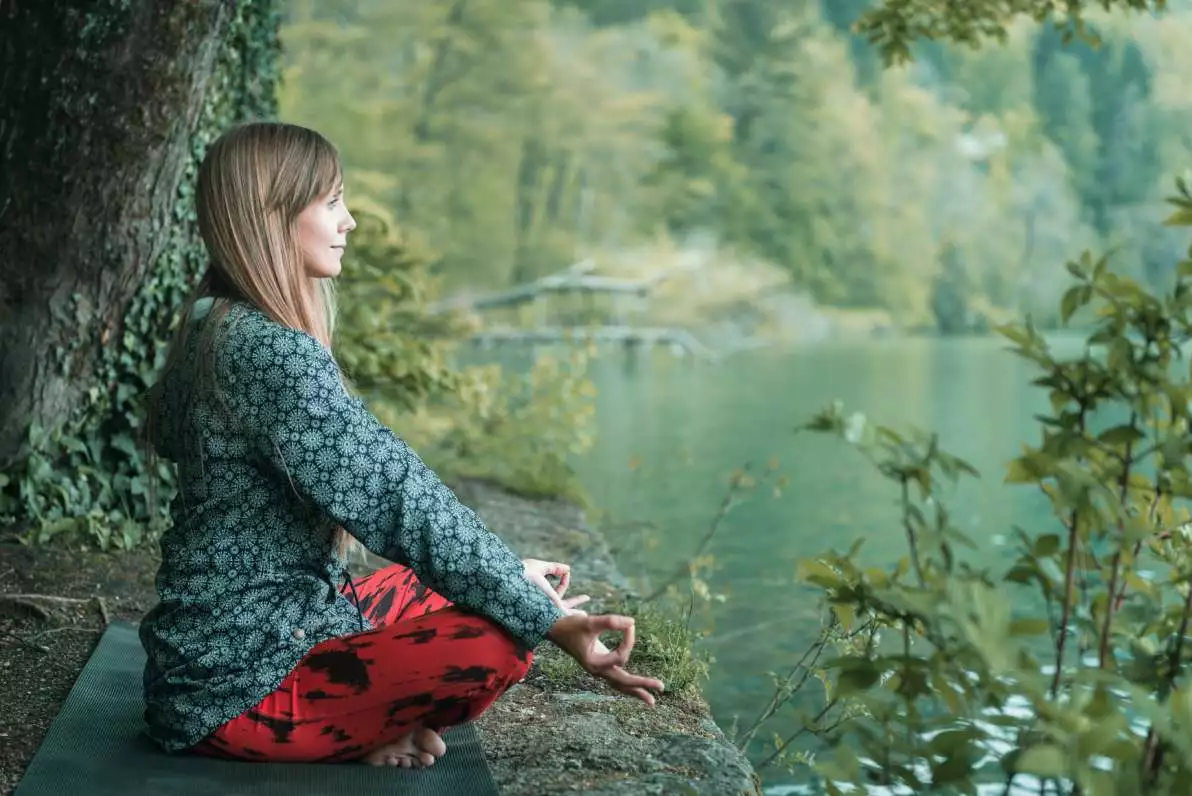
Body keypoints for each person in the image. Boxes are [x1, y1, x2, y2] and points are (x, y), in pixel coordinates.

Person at [138, 121, 663, 768]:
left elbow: (392, 497)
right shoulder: (269, 351)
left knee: (483, 588)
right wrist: (548, 621)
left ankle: (370, 720)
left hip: (244, 638)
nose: (349, 220)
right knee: (500, 644)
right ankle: (350, 734)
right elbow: (396, 498)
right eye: (331, 202)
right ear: (271, 215)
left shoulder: (209, 321)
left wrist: (505, 576)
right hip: (238, 689)